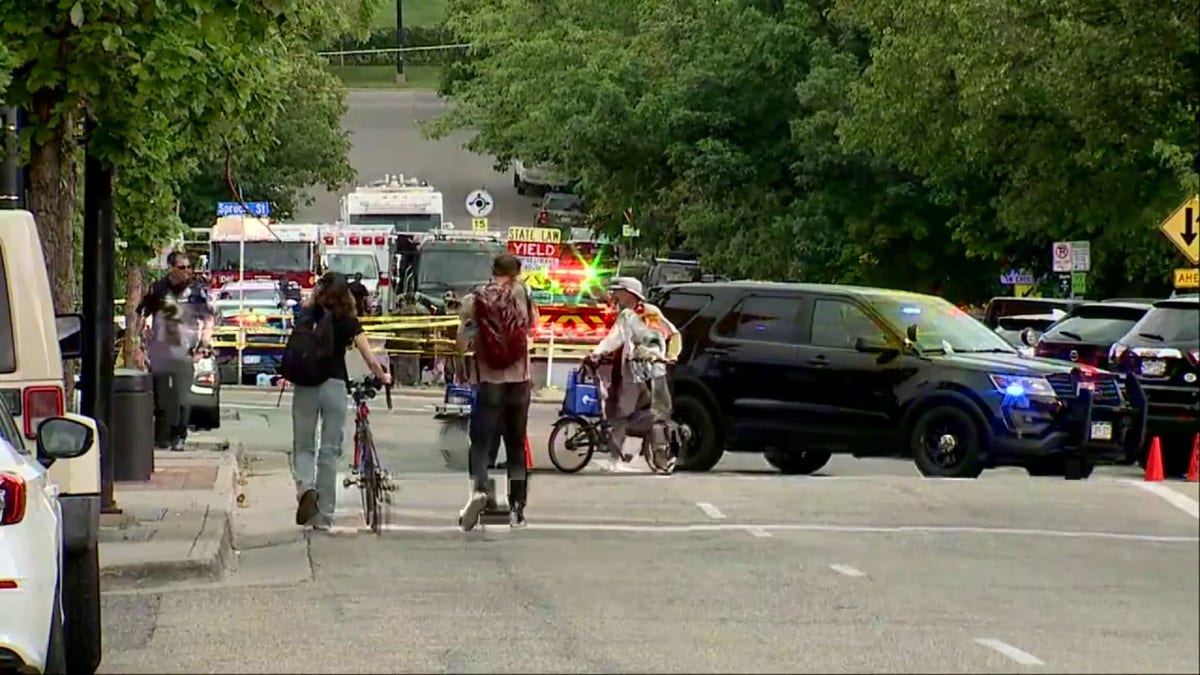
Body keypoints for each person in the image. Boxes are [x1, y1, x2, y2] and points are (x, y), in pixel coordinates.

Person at [289, 272, 392, 529]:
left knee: (303, 446)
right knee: (329, 450)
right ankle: (324, 515)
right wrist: (383, 376)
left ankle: (306, 489)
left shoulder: (306, 316)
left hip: (305, 386)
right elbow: (370, 358)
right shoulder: (348, 321)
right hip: (334, 386)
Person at [455, 254, 538, 530]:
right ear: (517, 272)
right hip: (519, 382)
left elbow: (462, 341)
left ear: (493, 271)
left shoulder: (474, 299)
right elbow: (532, 328)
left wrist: (467, 356)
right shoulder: (523, 294)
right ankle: (517, 509)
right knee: (515, 447)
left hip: (489, 381)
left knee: (480, 443)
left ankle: (480, 491)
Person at [585, 277, 679, 472]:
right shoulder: (626, 315)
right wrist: (597, 353)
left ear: (629, 293)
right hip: (630, 373)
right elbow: (614, 338)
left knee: (653, 415)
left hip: (651, 373)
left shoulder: (650, 313)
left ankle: (649, 455)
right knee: (621, 413)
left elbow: (672, 335)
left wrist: (671, 355)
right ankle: (619, 455)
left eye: (618, 291)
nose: (614, 295)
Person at [134, 251, 215, 451]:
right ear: (171, 268)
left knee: (182, 395)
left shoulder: (196, 291)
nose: (187, 271)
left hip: (186, 350)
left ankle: (180, 436)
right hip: (160, 350)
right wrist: (139, 345)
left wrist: (204, 342)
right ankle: (162, 437)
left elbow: (208, 318)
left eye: (189, 267)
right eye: (182, 267)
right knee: (161, 395)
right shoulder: (158, 289)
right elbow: (142, 315)